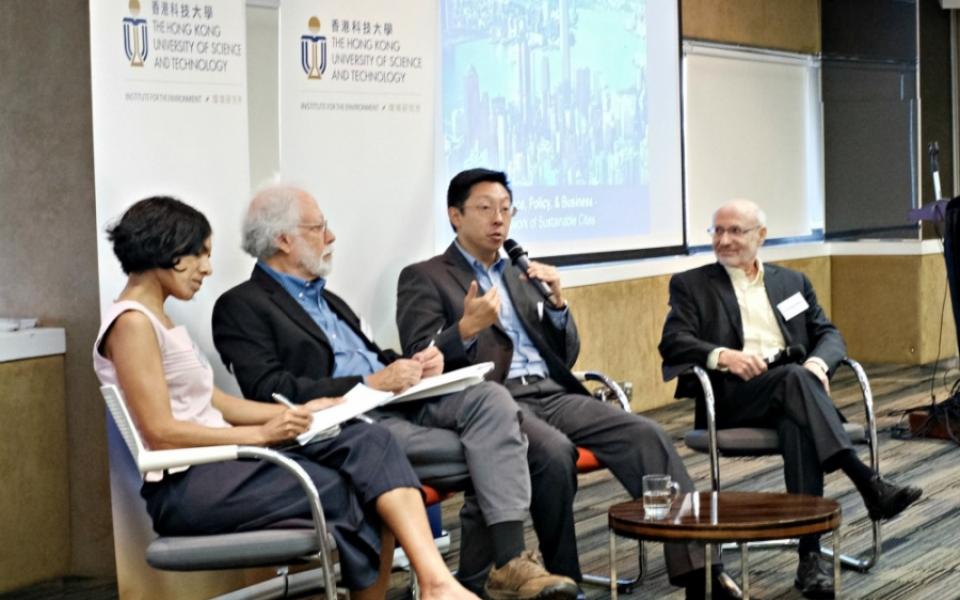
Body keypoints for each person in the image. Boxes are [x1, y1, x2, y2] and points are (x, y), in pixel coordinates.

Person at [92, 196, 476, 600]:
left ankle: (436, 583)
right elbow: (161, 431)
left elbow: (217, 404)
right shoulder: (132, 324)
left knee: (369, 441)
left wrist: (298, 411)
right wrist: (261, 435)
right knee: (361, 489)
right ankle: (433, 585)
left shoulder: (157, 319)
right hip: (190, 486)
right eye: (199, 255)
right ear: (165, 250)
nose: (206, 268)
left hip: (221, 470)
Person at [211, 184, 578, 600]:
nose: (330, 237)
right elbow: (269, 391)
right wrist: (367, 384)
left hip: (399, 403)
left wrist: (417, 363)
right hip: (351, 426)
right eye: (319, 228)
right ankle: (475, 578)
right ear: (283, 239)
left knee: (491, 399)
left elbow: (372, 357)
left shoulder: (328, 300)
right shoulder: (240, 305)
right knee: (504, 449)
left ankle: (504, 564)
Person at [395, 168, 737, 599]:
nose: (498, 219)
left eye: (506, 209)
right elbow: (418, 358)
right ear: (455, 216)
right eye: (485, 209)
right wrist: (464, 329)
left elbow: (565, 353)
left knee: (645, 434)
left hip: (551, 392)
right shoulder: (424, 276)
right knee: (554, 454)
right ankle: (561, 579)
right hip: (491, 402)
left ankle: (701, 574)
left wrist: (558, 305)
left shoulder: (519, 272)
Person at [659, 198, 923, 599]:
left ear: (761, 236)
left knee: (797, 414)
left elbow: (829, 334)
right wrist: (723, 356)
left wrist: (819, 363)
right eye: (717, 231)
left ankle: (809, 559)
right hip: (733, 398)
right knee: (795, 384)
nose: (724, 240)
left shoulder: (791, 282)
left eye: (735, 231)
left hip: (794, 394)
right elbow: (673, 342)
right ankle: (866, 482)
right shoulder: (691, 284)